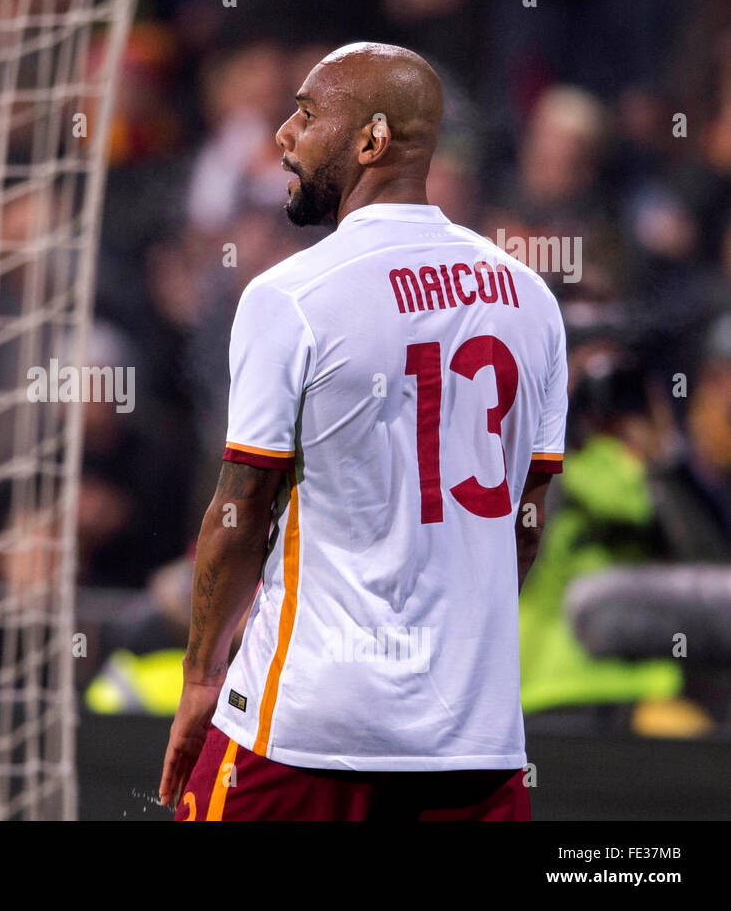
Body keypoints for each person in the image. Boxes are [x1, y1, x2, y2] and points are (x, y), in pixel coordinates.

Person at [159, 43, 568, 821]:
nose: (282, 132)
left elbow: (238, 513)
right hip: (474, 741)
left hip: (307, 728)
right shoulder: (530, 298)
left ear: (371, 141)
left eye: (307, 114)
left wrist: (202, 679)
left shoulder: (292, 295)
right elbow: (525, 519)